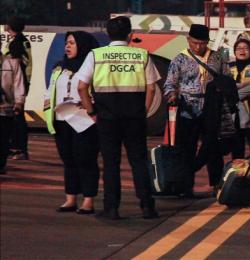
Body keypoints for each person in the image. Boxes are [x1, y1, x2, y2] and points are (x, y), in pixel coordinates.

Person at [77, 16, 160, 220]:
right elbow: (151, 88)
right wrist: (144, 111)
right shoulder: (142, 55)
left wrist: (91, 111)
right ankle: (147, 206)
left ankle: (111, 208)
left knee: (111, 163)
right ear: (130, 35)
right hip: (135, 118)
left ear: (107, 34)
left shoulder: (96, 55)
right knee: (139, 161)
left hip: (107, 117)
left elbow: (81, 87)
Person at [164, 24, 236, 197]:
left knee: (213, 148)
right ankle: (186, 186)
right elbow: (169, 84)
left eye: (202, 43)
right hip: (187, 110)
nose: (198, 47)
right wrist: (172, 94)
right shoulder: (179, 59)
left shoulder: (217, 58)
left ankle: (216, 185)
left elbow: (227, 79)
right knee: (186, 149)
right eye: (195, 43)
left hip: (212, 109)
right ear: (188, 40)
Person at [44, 31, 100, 214]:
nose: (67, 46)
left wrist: (92, 109)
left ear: (83, 46)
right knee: (68, 160)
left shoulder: (94, 68)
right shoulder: (59, 67)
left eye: (72, 43)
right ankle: (70, 199)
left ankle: (88, 201)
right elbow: (50, 91)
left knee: (86, 159)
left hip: (85, 120)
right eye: (66, 43)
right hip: (61, 120)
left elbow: (98, 93)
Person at [3, 17, 32, 160]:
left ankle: (19, 149)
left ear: (10, 26)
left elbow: (15, 66)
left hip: (17, 84)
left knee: (16, 115)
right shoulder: (22, 39)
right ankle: (12, 147)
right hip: (22, 82)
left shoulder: (16, 43)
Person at [0, 40, 26, 174]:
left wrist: (19, 102)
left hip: (6, 109)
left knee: (4, 139)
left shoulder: (11, 63)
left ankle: (1, 164)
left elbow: (18, 83)